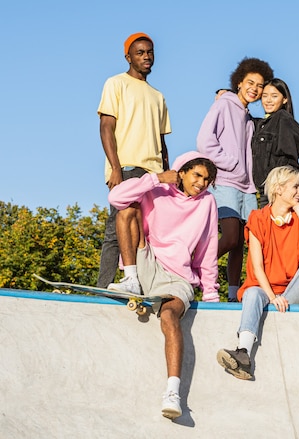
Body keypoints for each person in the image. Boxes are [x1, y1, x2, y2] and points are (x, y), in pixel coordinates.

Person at [107, 151, 220, 419]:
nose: (202, 183)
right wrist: (154, 179)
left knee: (169, 316)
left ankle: (172, 392)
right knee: (128, 209)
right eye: (197, 175)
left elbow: (208, 247)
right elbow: (115, 198)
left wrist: (211, 292)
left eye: (207, 179)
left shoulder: (207, 203)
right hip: (148, 261)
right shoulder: (157, 189)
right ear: (181, 172)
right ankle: (131, 280)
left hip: (178, 278)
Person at [216, 166, 299, 380]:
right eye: (295, 186)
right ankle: (243, 354)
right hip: (264, 291)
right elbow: (257, 267)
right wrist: (272, 297)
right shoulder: (258, 218)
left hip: (291, 292)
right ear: (279, 189)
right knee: (252, 293)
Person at [96, 32, 171, 288]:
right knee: (118, 228)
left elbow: (162, 143)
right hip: (126, 168)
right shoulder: (115, 83)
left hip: (154, 174)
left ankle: (146, 282)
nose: (146, 57)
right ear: (128, 57)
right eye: (140, 53)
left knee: (148, 231)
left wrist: (168, 176)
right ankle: (103, 287)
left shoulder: (158, 96)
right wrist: (115, 168)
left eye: (150, 52)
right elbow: (106, 127)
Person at [197, 57, 274, 302]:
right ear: (239, 83)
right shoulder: (224, 105)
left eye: (260, 85)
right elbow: (205, 142)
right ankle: (194, 269)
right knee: (229, 237)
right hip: (227, 181)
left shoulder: (249, 118)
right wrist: (231, 163)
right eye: (250, 82)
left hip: (248, 187)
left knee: (242, 242)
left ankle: (233, 293)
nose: (255, 88)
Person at [251, 78, 299, 207]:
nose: (268, 100)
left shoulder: (282, 118)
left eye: (274, 96)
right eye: (264, 96)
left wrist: (281, 179)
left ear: (284, 99)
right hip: (260, 190)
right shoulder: (260, 124)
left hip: (276, 189)